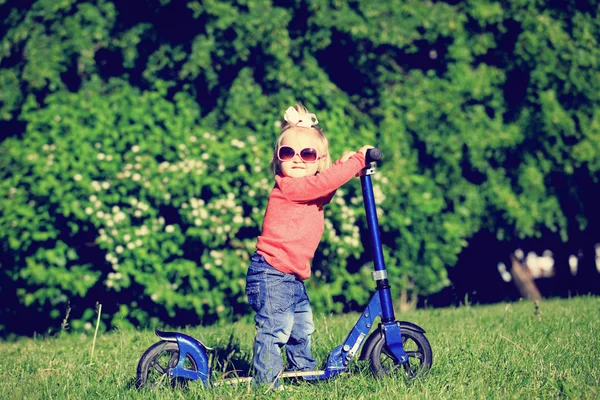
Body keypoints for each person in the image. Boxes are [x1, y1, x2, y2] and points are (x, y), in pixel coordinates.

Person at [245, 103, 373, 388]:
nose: (298, 159)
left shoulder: (308, 190)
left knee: (301, 330)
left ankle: (304, 375)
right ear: (278, 159)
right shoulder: (289, 188)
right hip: (272, 274)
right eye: (288, 152)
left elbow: (324, 187)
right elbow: (320, 186)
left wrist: (343, 167)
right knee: (275, 331)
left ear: (319, 160)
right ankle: (266, 385)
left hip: (291, 276)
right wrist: (355, 162)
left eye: (308, 154)